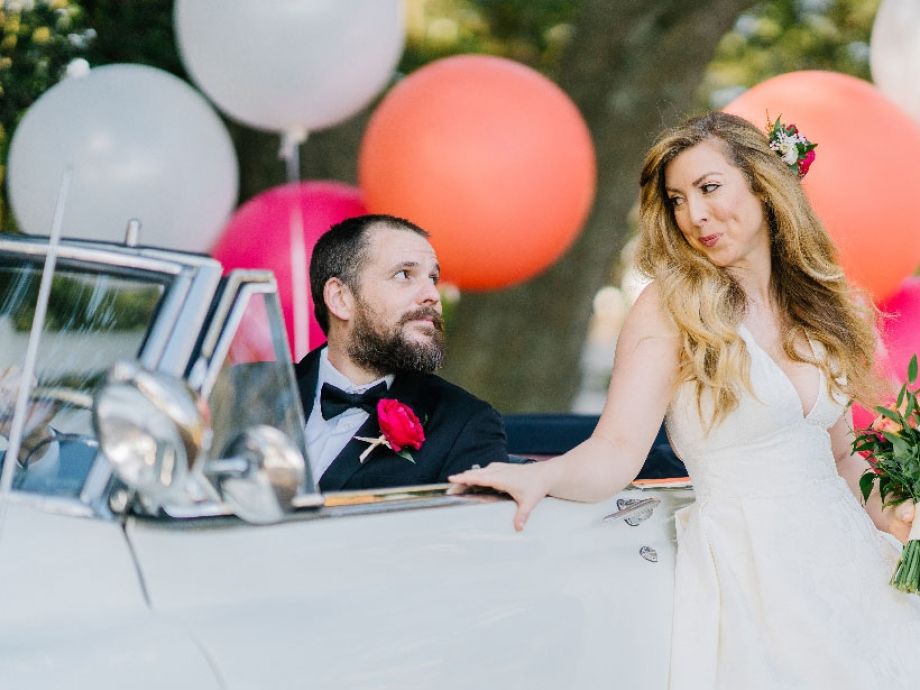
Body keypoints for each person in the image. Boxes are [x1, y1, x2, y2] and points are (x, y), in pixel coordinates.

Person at [450, 111, 920, 689]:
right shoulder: (670, 307)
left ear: (763, 184)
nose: (694, 215)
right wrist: (539, 476)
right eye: (677, 200)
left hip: (850, 566)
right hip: (753, 576)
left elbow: (843, 459)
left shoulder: (823, 307)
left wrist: (901, 519)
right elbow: (615, 449)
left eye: (709, 188)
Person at [295, 214, 507, 492]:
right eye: (404, 275)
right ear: (340, 298)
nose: (433, 294)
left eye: (433, 278)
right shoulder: (254, 393)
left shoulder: (465, 424)